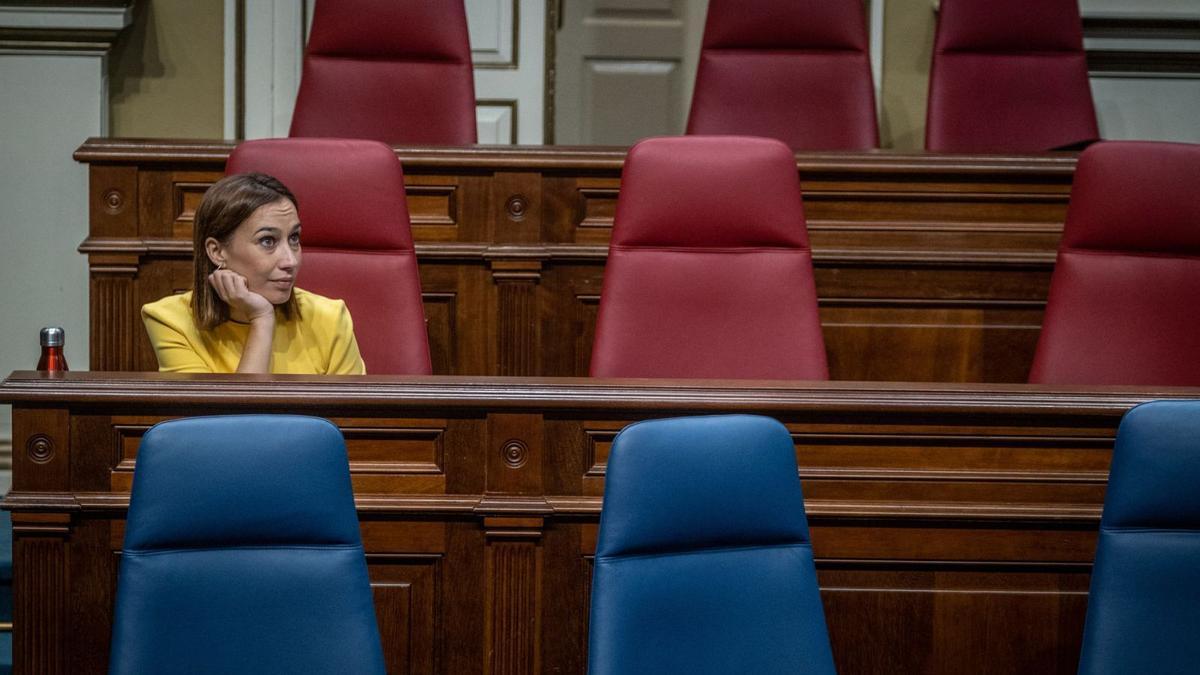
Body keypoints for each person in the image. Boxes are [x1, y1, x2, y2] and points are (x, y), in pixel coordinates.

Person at [141, 173, 366, 374]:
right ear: (217, 251)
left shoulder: (330, 318)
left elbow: (352, 420)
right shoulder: (171, 320)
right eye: (267, 241)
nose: (290, 261)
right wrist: (261, 318)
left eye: (294, 238)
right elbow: (236, 421)